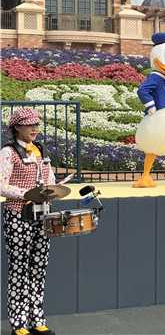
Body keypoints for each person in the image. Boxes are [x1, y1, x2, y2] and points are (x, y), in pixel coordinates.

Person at [0, 108, 57, 335]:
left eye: (36, 125)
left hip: (42, 214)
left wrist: (53, 188)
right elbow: (1, 185)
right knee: (19, 268)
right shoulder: (8, 152)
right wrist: (26, 193)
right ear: (17, 127)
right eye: (29, 125)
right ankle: (19, 323)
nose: (34, 128)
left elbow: (49, 177)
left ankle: (37, 319)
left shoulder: (40, 149)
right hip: (18, 215)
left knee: (39, 267)